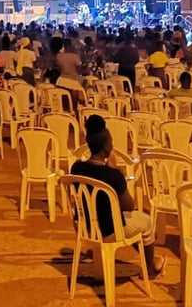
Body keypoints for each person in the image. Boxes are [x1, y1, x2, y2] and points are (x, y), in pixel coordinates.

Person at [70, 115, 165, 278]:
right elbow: (129, 206)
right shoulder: (113, 175)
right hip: (109, 230)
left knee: (133, 223)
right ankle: (150, 269)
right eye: (111, 142)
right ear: (106, 147)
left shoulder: (76, 168)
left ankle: (152, 260)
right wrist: (116, 172)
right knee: (146, 222)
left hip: (85, 226)